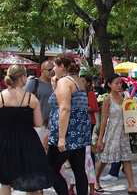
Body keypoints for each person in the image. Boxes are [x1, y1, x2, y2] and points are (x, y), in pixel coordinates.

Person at [0, 64, 54, 194]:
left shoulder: (1, 97)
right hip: (27, 142)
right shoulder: (31, 98)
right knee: (31, 181)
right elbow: (38, 122)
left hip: (5, 141)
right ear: (23, 77)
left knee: (5, 182)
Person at [47, 53, 91, 195]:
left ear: (62, 66)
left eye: (54, 66)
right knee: (79, 170)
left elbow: (65, 108)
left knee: (50, 168)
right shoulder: (76, 80)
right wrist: (55, 86)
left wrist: (61, 137)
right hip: (78, 134)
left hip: (67, 134)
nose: (53, 69)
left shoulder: (64, 81)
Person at [95, 74, 137, 195]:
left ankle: (131, 186)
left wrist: (132, 104)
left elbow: (129, 113)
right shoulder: (107, 99)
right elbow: (104, 120)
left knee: (126, 159)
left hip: (123, 132)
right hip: (111, 132)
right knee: (105, 159)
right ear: (109, 85)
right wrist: (100, 138)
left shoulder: (124, 96)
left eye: (120, 83)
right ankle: (95, 181)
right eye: (116, 83)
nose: (119, 85)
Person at [24, 61, 55, 140]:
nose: (52, 72)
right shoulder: (34, 83)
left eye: (53, 70)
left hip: (53, 125)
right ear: (42, 71)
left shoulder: (57, 84)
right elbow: (24, 100)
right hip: (38, 125)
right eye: (49, 70)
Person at [80, 74, 99, 166]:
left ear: (88, 83)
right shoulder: (79, 92)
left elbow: (94, 107)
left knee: (88, 143)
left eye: (83, 81)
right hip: (81, 122)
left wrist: (79, 108)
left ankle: (91, 164)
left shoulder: (90, 93)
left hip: (89, 121)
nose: (81, 83)